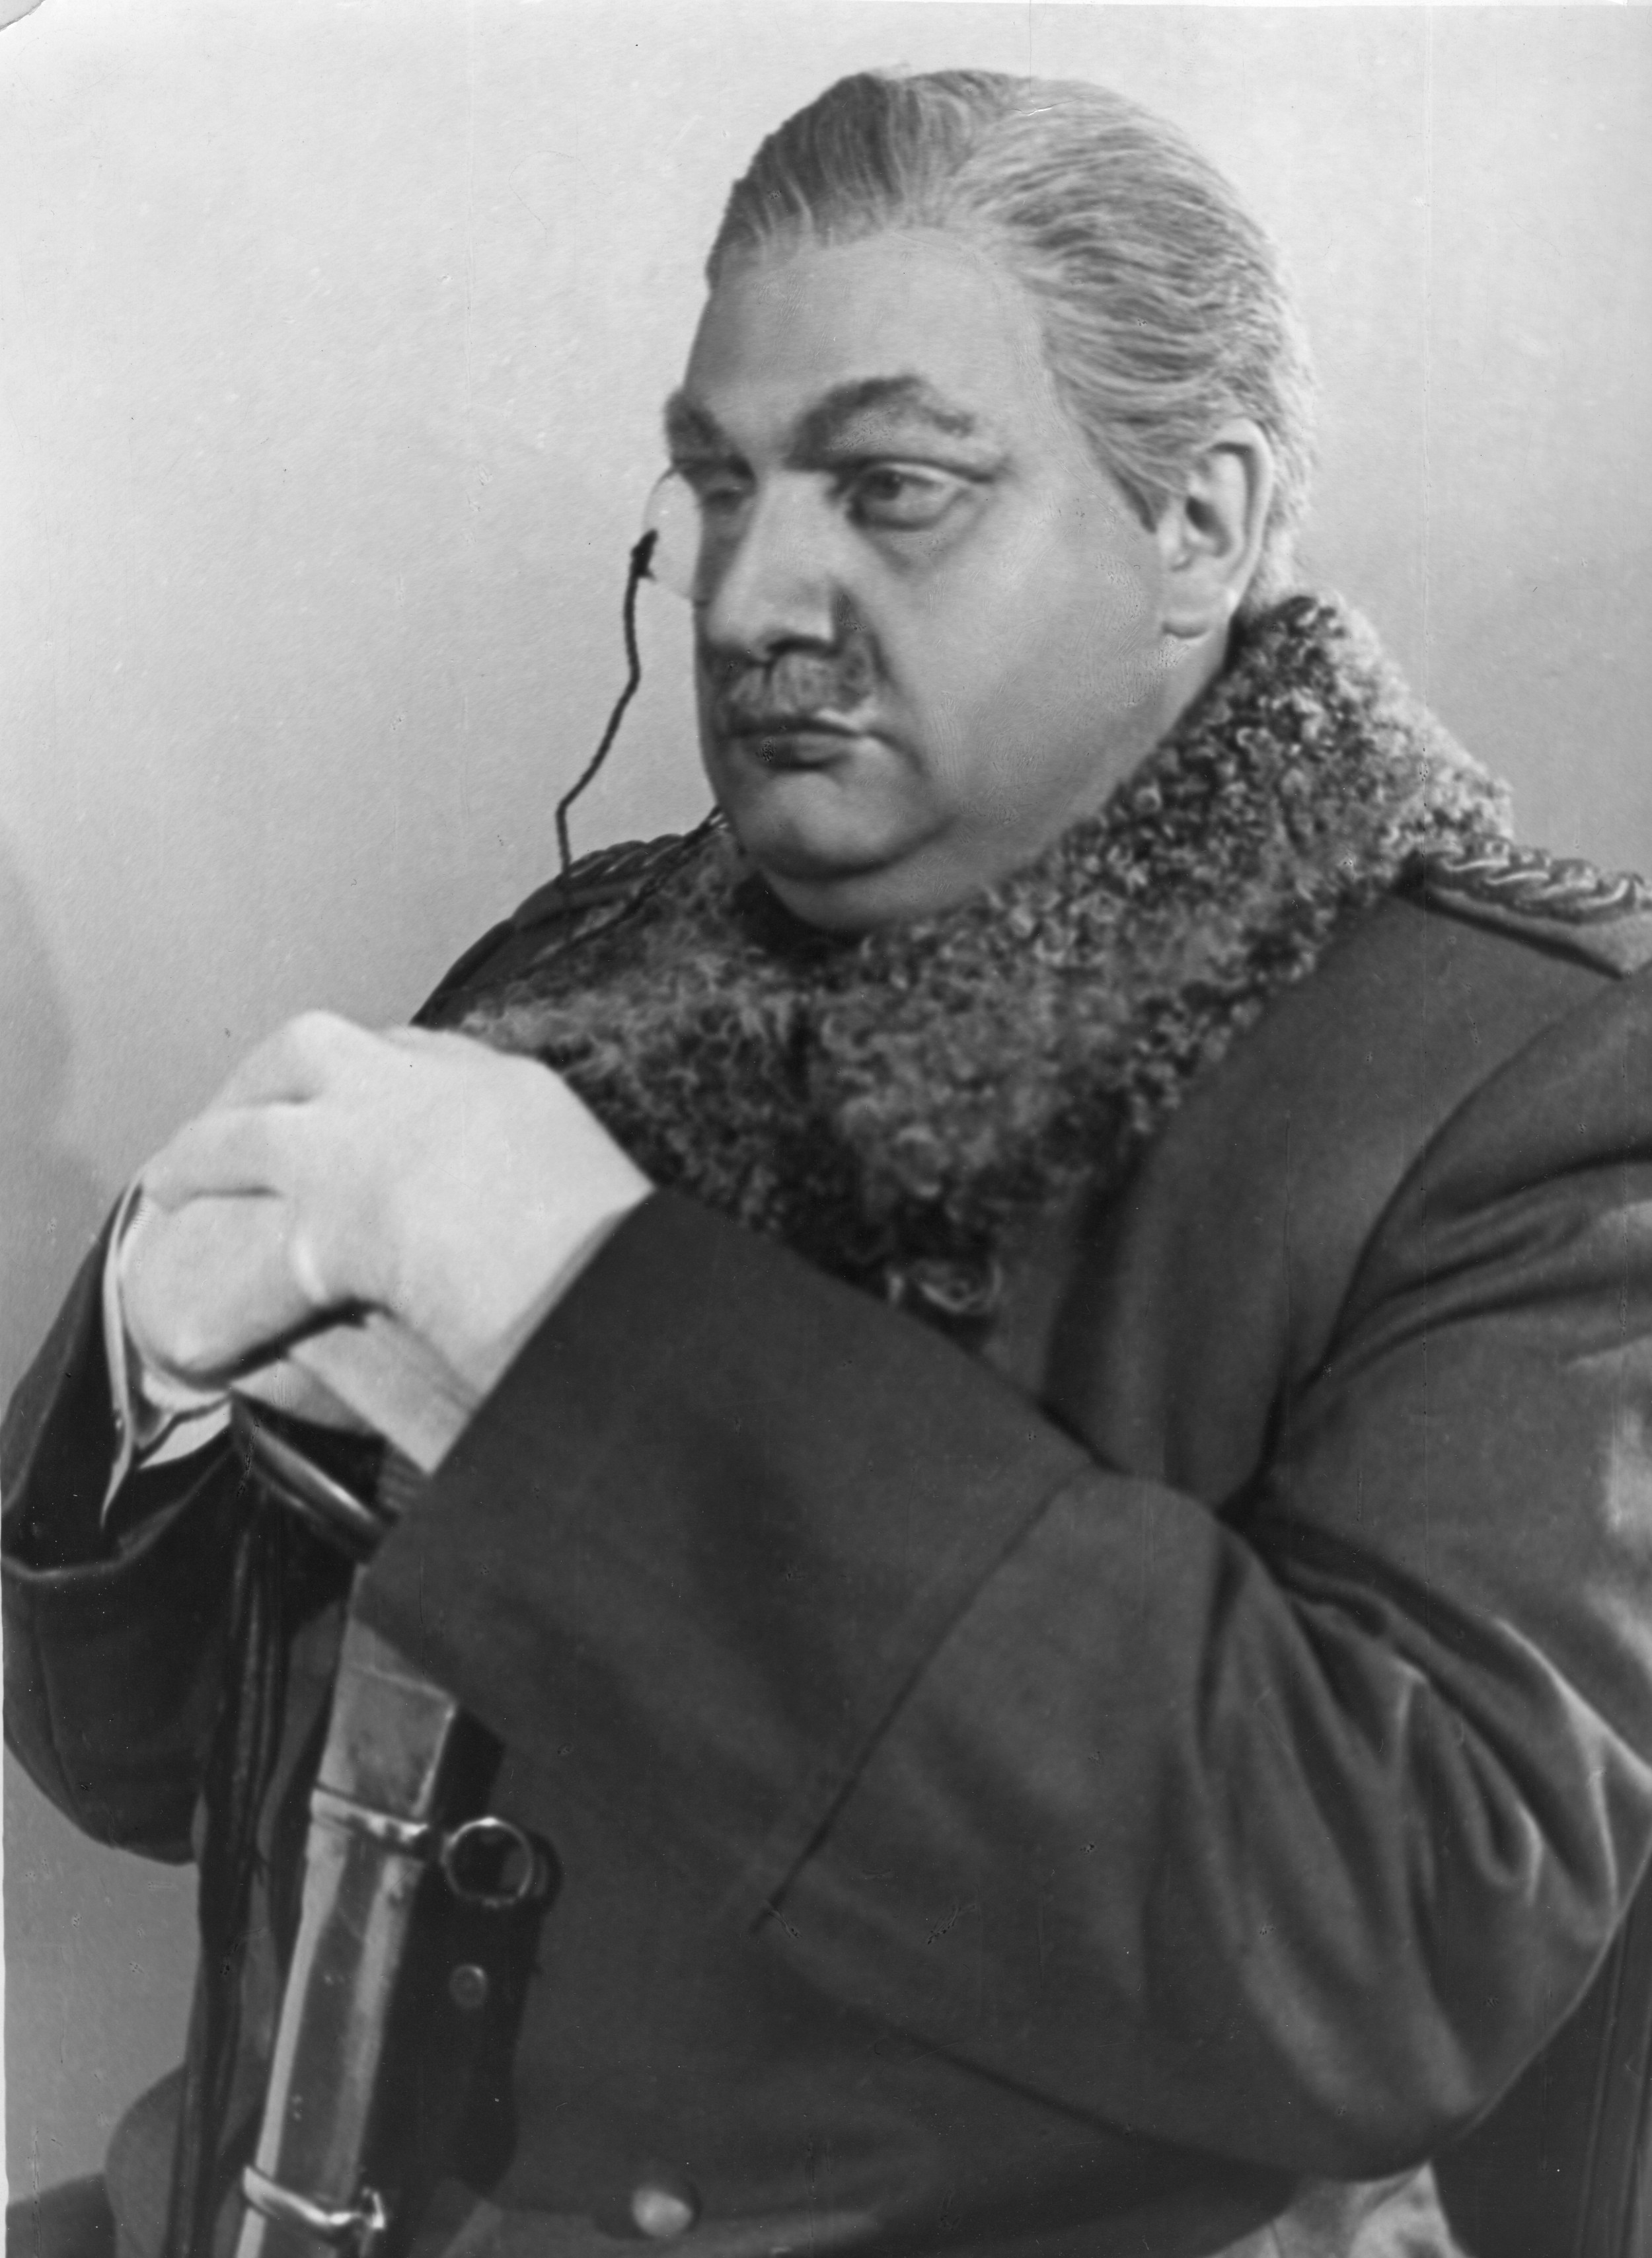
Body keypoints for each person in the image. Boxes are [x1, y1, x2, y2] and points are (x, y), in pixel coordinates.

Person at [7, 66, 1652, 2258]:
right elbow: (148, 1775)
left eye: (891, 488)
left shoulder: (1535, 1075)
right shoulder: (584, 962)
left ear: (1198, 523)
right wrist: (144, 1369)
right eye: (720, 483)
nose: (753, 594)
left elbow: (1385, 1941)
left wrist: (577, 1328)